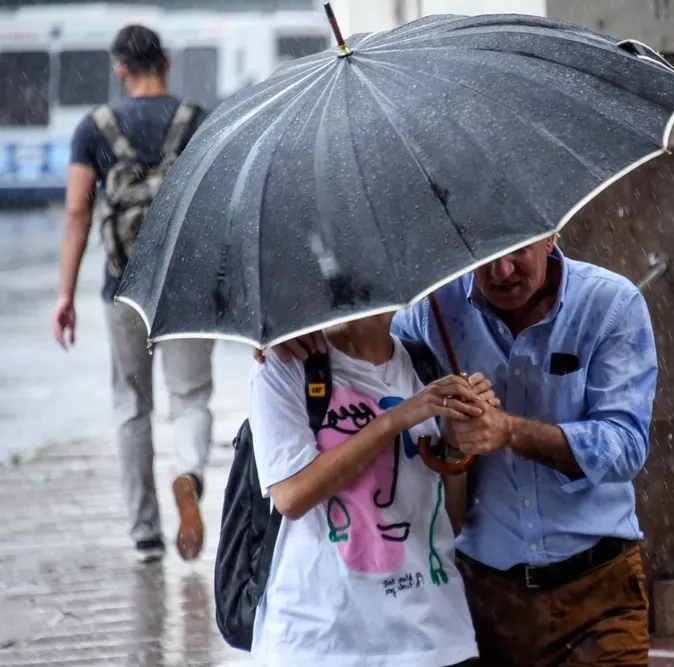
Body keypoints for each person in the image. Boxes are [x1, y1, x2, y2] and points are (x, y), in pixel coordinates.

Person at [263, 236, 658, 666]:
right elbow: (362, 346)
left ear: (549, 236)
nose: (502, 271)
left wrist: (509, 432)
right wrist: (292, 335)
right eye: (486, 256)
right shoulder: (429, 312)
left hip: (597, 589)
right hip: (483, 596)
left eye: (517, 251)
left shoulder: (610, 304)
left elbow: (626, 446)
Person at [248, 312, 496, 666]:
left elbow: (447, 524)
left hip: (431, 636)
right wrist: (395, 419)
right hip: (319, 639)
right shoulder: (286, 363)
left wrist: (457, 445)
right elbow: (291, 495)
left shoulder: (427, 364)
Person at [52, 25, 214, 563]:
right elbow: (218, 213)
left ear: (120, 68)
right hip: (187, 286)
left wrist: (65, 295)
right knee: (190, 396)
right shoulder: (196, 120)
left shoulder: (95, 128)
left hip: (122, 289)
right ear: (166, 60)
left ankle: (144, 532)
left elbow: (78, 213)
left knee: (132, 406)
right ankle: (188, 474)